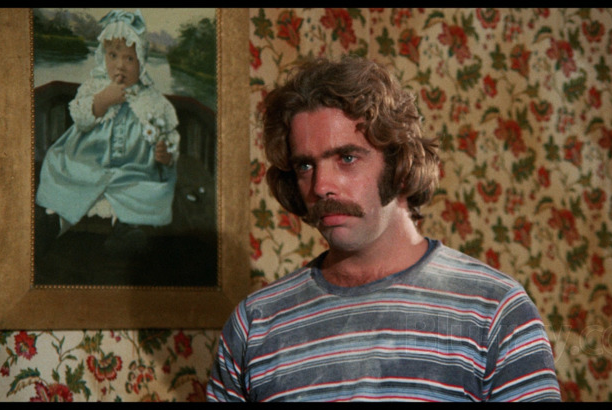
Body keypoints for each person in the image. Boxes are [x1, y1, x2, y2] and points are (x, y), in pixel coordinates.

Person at [207, 56, 561, 402]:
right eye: (305, 166)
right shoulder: (255, 324)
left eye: (347, 158)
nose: (321, 186)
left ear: (400, 165)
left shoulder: (494, 309)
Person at [35, 9, 180, 254]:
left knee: (145, 188)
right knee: (69, 174)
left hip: (133, 165)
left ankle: (126, 228)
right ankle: (56, 223)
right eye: (113, 55)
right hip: (90, 157)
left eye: (129, 58)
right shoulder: (96, 86)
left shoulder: (152, 98)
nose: (119, 65)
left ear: (142, 62)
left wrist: (166, 153)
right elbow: (80, 118)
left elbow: (167, 132)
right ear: (104, 56)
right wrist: (101, 101)